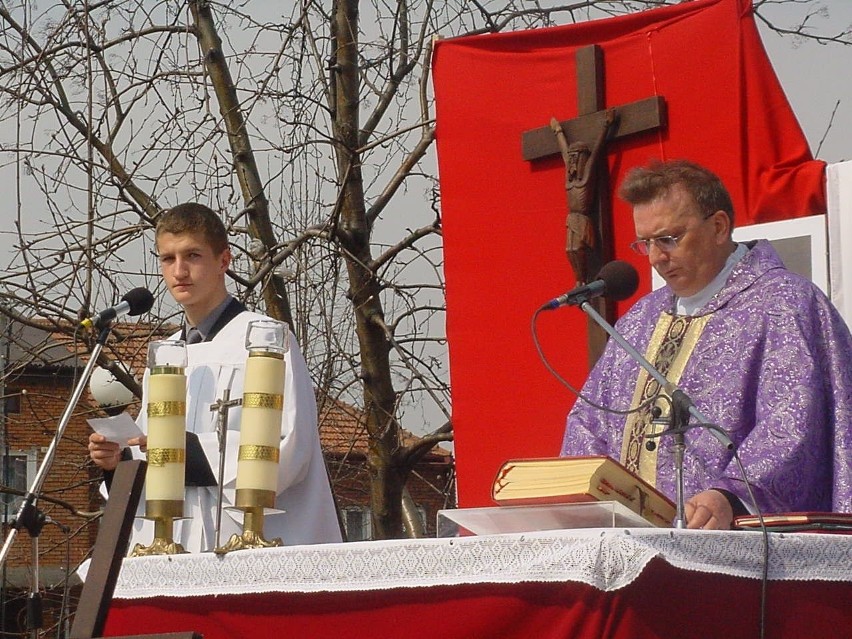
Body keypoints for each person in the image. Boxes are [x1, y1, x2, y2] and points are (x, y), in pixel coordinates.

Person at [561, 159, 852, 529]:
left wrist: (732, 496)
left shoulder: (784, 304)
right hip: (634, 548)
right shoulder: (640, 321)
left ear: (718, 227)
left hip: (739, 549)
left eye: (669, 239)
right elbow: (590, 421)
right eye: (645, 243)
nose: (655, 259)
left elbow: (795, 424)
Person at [88, 202, 342, 551]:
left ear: (223, 260)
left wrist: (186, 450)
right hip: (177, 541)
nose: (179, 271)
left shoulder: (264, 339)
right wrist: (117, 463)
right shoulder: (164, 355)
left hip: (250, 541)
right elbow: (152, 450)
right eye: (168, 259)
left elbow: (289, 446)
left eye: (192, 255)